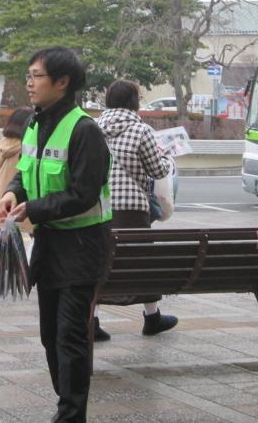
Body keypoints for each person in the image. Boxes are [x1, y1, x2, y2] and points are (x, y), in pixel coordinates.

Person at [0, 47, 112, 423]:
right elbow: (26, 172)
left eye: (37, 76)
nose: (29, 83)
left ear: (62, 82)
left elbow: (83, 194)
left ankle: (70, 414)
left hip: (82, 247)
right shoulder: (33, 122)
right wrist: (15, 192)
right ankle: (68, 402)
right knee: (50, 335)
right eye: (28, 75)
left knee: (70, 336)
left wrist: (34, 209)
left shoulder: (85, 130)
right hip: (48, 244)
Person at [94, 80, 178, 340]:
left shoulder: (92, 128)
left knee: (99, 263)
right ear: (134, 102)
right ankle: (152, 318)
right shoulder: (141, 130)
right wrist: (167, 159)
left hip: (98, 207)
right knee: (140, 263)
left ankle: (91, 320)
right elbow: (158, 171)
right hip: (132, 209)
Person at [0, 107, 34, 295]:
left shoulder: (1, 144)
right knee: (36, 234)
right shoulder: (27, 146)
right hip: (20, 194)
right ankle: (30, 276)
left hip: (2, 195)